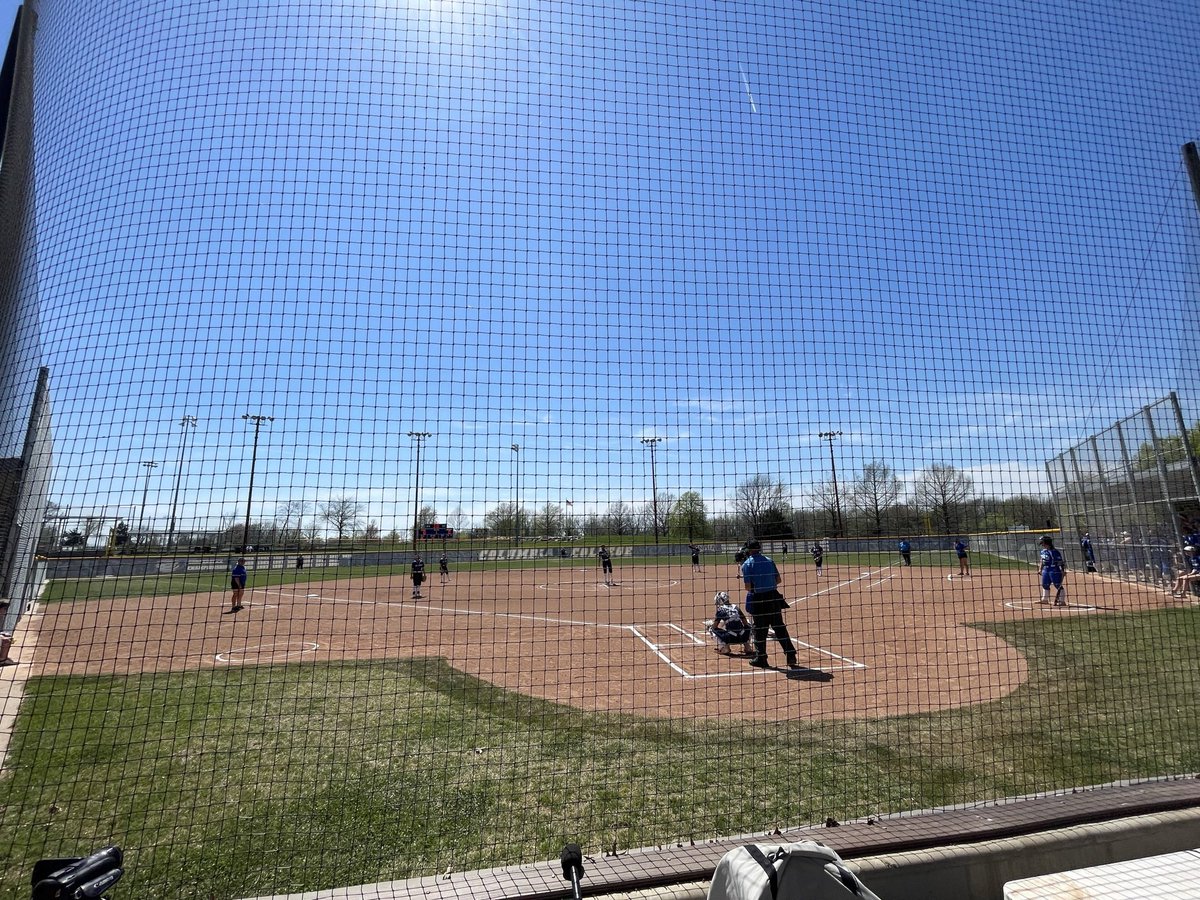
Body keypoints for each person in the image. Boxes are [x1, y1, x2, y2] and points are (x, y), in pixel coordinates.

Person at [740, 539, 799, 670]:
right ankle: (791, 655)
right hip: (773, 597)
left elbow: (748, 587)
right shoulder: (769, 560)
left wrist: (758, 584)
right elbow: (778, 580)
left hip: (758, 599)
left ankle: (761, 658)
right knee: (779, 627)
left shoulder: (747, 564)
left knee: (759, 630)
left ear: (749, 550)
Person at [1037, 536, 1067, 606]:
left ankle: (1062, 601)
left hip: (1054, 570)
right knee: (1045, 584)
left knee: (1057, 585)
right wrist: (1040, 569)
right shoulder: (1043, 551)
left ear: (1047, 542)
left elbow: (1060, 562)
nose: (1042, 544)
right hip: (1045, 570)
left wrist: (1062, 571)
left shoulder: (1054, 552)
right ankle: (1044, 599)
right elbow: (1042, 560)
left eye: (1043, 543)